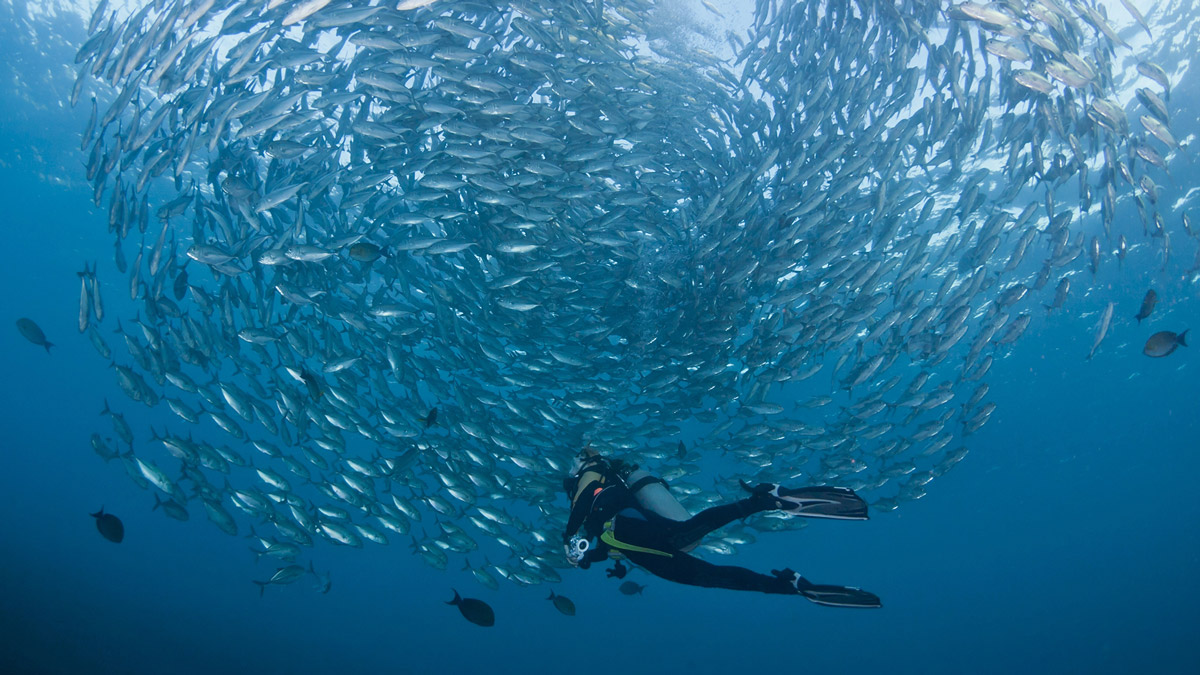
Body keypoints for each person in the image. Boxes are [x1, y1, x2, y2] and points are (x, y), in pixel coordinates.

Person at [562, 449, 881, 608]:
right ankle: (789, 586)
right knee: (709, 577)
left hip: (633, 527)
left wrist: (568, 535)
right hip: (641, 550)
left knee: (685, 532)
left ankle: (763, 501)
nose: (571, 471)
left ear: (585, 461)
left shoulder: (592, 478)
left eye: (574, 464)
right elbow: (604, 546)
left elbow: (582, 508)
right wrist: (588, 558)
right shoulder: (588, 503)